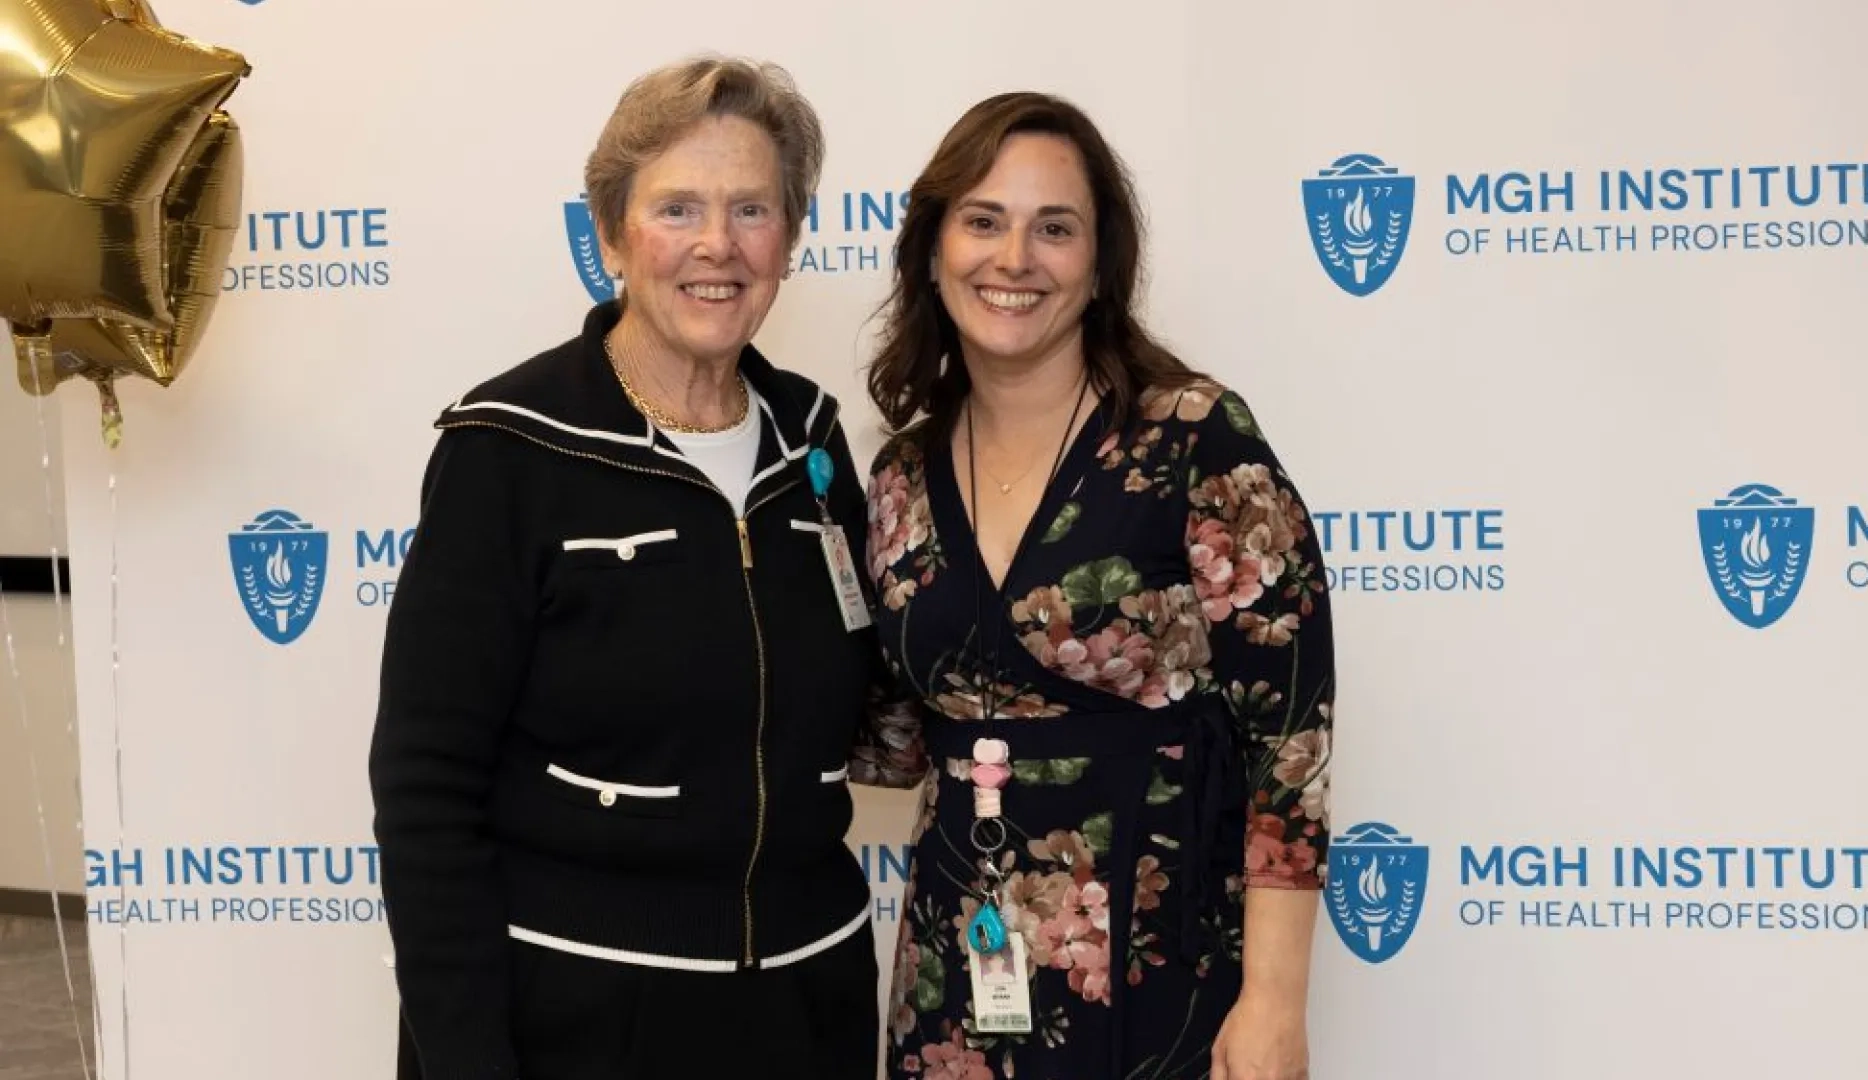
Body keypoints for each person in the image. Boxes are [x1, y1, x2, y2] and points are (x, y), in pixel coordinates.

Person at [369, 56, 883, 1080]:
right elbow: (425, 790)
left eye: (752, 209)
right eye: (677, 208)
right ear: (610, 235)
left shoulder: (815, 448)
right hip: (577, 1016)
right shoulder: (508, 451)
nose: (716, 245)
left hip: (805, 1005)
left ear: (789, 239)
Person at [850, 91, 1336, 1080]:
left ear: (1099, 260)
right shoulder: (900, 474)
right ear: (932, 247)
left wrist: (1276, 1004)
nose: (1014, 258)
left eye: (1054, 229)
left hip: (1165, 968)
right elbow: (887, 737)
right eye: (983, 221)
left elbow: (1288, 737)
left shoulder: (1193, 437)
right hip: (959, 970)